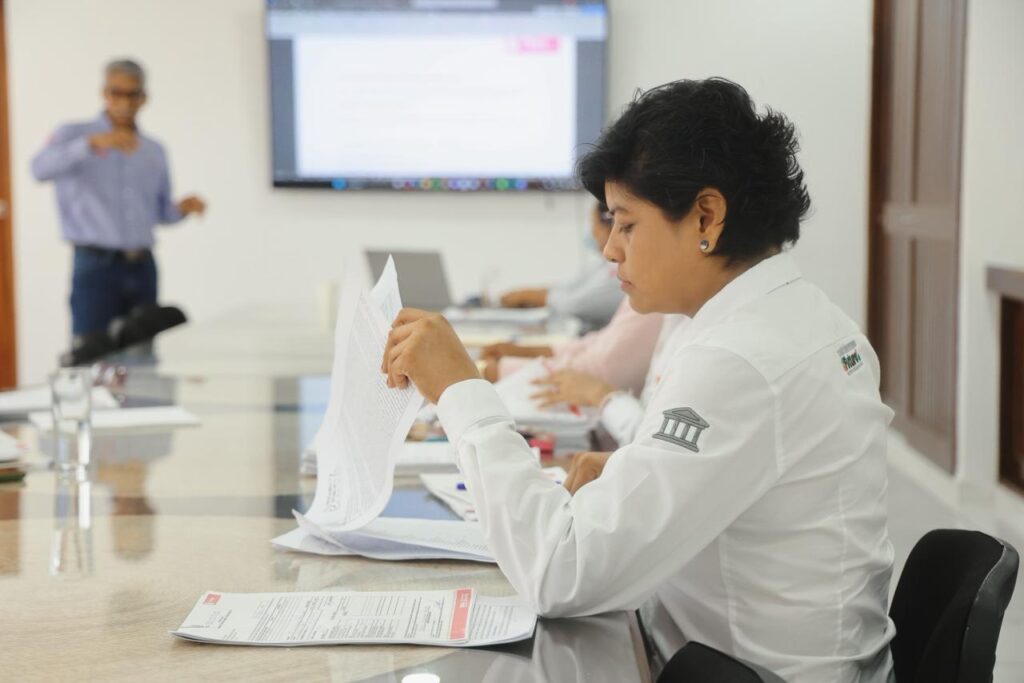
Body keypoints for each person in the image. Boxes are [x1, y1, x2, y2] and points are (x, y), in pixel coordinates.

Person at [382, 77, 896, 681]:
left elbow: (561, 575)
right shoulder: (798, 317)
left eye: (625, 224)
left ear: (706, 216)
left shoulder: (741, 359)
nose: (610, 250)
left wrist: (461, 392)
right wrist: (640, 468)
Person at [31, 59, 206, 346]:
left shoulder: (153, 150)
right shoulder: (74, 135)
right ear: (105, 93)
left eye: (132, 94)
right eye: (116, 93)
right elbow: (38, 169)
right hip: (96, 266)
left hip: (142, 266)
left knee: (144, 354)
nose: (124, 103)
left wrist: (182, 209)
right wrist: (91, 144)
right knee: (91, 352)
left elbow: (160, 212)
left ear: (143, 98)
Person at [479, 297, 663, 395]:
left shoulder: (655, 300)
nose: (610, 251)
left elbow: (601, 373)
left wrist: (491, 371)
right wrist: (529, 352)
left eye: (628, 233)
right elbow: (600, 342)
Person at [499, 204, 622, 330]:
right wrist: (530, 294)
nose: (592, 232)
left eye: (594, 224)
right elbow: (569, 287)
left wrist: (529, 296)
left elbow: (575, 304)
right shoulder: (603, 266)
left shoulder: (618, 272)